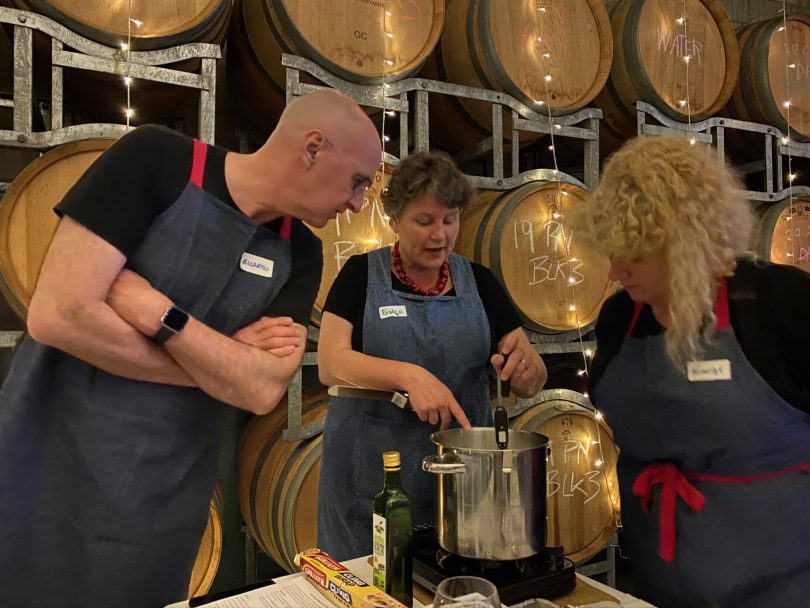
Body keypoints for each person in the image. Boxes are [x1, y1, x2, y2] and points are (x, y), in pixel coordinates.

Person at [0, 89, 382, 608]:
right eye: (358, 180)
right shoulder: (155, 159)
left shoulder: (302, 251)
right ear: (313, 148)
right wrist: (218, 360)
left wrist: (160, 314)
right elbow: (57, 315)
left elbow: (261, 389)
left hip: (165, 488)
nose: (359, 203)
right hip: (49, 460)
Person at [569, 135, 810, 608]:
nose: (616, 271)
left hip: (783, 587)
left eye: (634, 253)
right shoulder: (621, 318)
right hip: (662, 585)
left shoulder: (781, 305)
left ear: (688, 241)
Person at [316, 150, 547, 560]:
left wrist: (527, 370)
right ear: (394, 221)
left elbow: (533, 378)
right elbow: (331, 365)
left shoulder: (481, 282)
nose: (439, 235)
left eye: (449, 220)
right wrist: (409, 375)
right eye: (424, 221)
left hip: (462, 481)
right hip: (369, 480)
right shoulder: (359, 274)